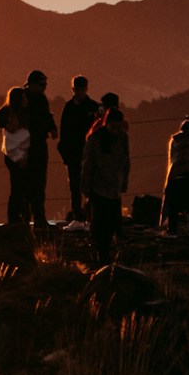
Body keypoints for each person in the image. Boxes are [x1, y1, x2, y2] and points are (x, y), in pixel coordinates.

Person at [81, 108, 131, 264]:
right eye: (113, 127)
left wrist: (124, 183)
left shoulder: (123, 138)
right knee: (101, 223)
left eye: (118, 127)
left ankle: (107, 253)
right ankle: (101, 254)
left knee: (112, 222)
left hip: (114, 187)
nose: (115, 131)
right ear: (106, 124)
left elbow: (125, 162)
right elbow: (88, 165)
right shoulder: (95, 139)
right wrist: (86, 187)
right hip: (99, 187)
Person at [58, 76, 99, 221]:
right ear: (73, 89)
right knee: (75, 187)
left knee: (91, 186)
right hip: (73, 154)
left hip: (89, 154)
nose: (79, 92)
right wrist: (65, 154)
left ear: (86, 89)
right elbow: (63, 132)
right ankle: (78, 215)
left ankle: (90, 214)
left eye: (81, 89)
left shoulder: (93, 107)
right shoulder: (69, 108)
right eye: (77, 89)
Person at [22, 70, 57, 234]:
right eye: (42, 85)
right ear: (33, 84)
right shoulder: (22, 99)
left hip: (39, 145)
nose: (44, 88)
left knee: (39, 184)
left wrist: (52, 127)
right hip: (27, 147)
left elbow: (47, 116)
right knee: (27, 185)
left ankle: (39, 220)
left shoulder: (41, 99)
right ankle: (25, 220)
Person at [0, 86, 31, 227]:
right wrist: (21, 157)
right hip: (16, 157)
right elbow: (12, 140)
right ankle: (17, 219)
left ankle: (18, 219)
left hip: (16, 156)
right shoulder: (13, 117)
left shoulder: (13, 116)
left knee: (19, 189)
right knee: (18, 189)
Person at [163, 119, 189, 235]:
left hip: (175, 176)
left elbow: (172, 159)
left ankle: (172, 230)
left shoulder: (174, 141)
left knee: (173, 206)